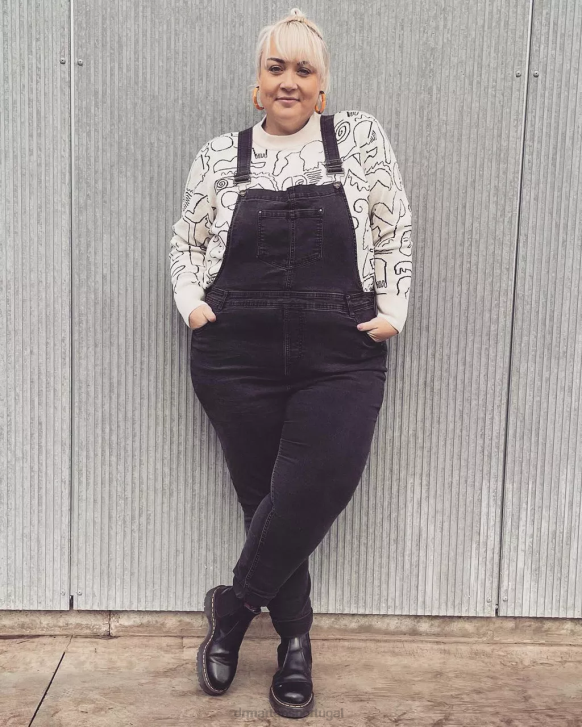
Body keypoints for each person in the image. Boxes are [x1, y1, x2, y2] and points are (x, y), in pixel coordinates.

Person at [169, 7, 413, 719]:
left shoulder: (358, 138)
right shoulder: (221, 155)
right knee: (268, 505)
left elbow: (392, 222)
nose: (289, 81)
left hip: (340, 351)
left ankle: (234, 609)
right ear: (257, 82)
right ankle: (295, 644)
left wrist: (394, 307)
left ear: (321, 85)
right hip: (235, 355)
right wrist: (191, 303)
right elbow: (187, 240)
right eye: (276, 67)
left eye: (304, 69)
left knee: (315, 487)